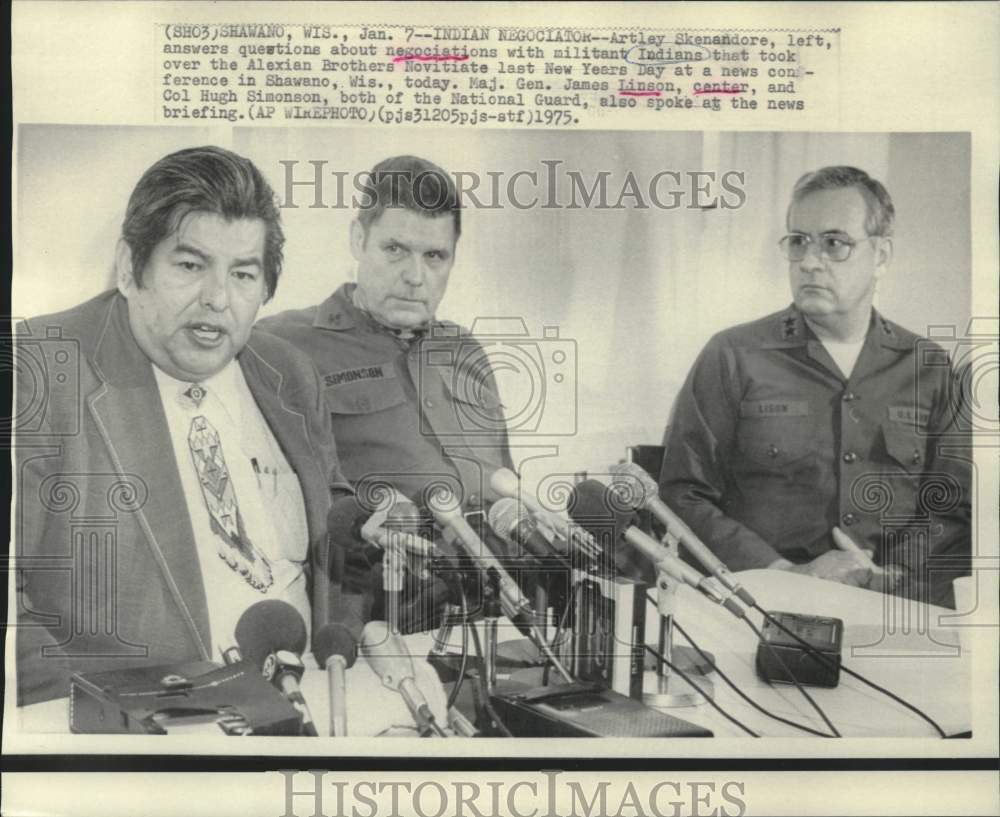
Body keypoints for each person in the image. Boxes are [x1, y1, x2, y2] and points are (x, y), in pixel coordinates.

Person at [13, 146, 353, 704]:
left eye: (243, 273)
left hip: (314, 691)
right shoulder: (40, 371)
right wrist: (87, 720)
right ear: (130, 268)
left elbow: (338, 544)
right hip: (135, 723)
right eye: (190, 266)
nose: (217, 299)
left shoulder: (290, 374)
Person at [659, 166, 970, 607]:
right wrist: (787, 574)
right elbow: (681, 495)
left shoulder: (930, 367)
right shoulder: (732, 355)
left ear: (881, 255)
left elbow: (954, 507)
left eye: (834, 243)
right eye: (798, 241)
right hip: (757, 611)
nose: (808, 261)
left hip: (898, 610)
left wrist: (893, 575)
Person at [259, 156, 514, 611]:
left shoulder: (466, 352)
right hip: (375, 617)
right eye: (395, 249)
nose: (415, 277)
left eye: (435, 256)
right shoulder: (279, 347)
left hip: (491, 611)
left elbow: (505, 489)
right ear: (359, 239)